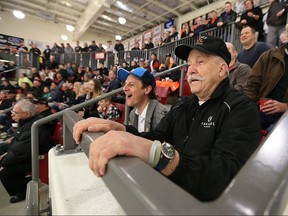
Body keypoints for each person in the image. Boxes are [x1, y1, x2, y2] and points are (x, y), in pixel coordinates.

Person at [73, 35, 261, 201]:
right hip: (166, 194)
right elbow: (157, 136)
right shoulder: (183, 104)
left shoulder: (241, 109)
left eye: (200, 62)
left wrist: (157, 155)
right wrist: (119, 129)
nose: (190, 71)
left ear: (221, 70)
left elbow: (223, 176)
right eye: (189, 64)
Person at [0, 99, 54, 203]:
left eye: (15, 113)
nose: (12, 115)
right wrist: (6, 154)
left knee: (5, 173)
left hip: (36, 157)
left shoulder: (33, 127)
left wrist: (4, 162)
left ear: (27, 114)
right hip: (27, 152)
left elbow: (20, 151)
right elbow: (17, 142)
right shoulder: (27, 122)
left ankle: (22, 192)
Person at [244, 42, 288, 134]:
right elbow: (252, 85)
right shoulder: (269, 56)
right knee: (238, 125)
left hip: (285, 116)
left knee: (273, 133)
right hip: (259, 109)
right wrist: (249, 108)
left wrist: (285, 107)